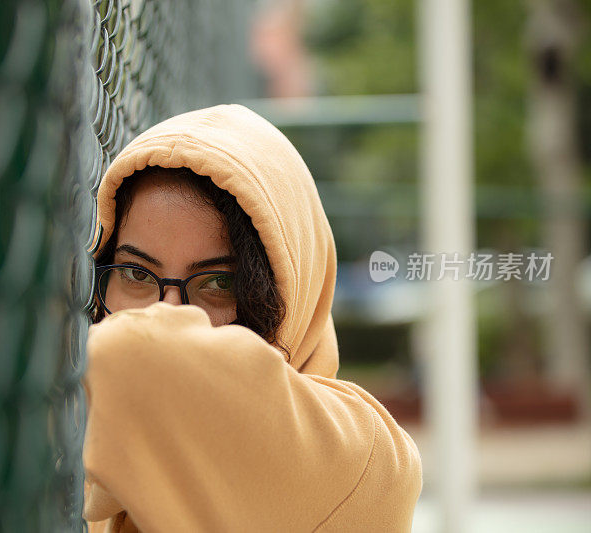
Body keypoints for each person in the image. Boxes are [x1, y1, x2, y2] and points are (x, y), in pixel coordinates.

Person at [82, 104, 422, 532]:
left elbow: (145, 359)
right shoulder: (108, 444)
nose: (165, 316)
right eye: (136, 274)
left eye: (219, 284)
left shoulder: (364, 463)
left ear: (286, 294)